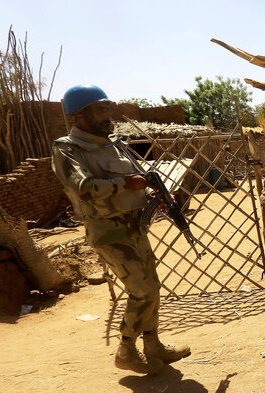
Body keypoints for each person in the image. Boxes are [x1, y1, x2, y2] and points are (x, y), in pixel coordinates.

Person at [51, 85, 190, 375]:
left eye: (107, 108)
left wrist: (155, 198)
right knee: (143, 290)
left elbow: (139, 182)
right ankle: (126, 350)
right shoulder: (67, 148)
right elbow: (83, 188)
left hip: (135, 226)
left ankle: (153, 345)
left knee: (152, 288)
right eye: (100, 109)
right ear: (80, 114)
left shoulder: (114, 144)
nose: (107, 115)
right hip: (108, 231)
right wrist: (125, 184)